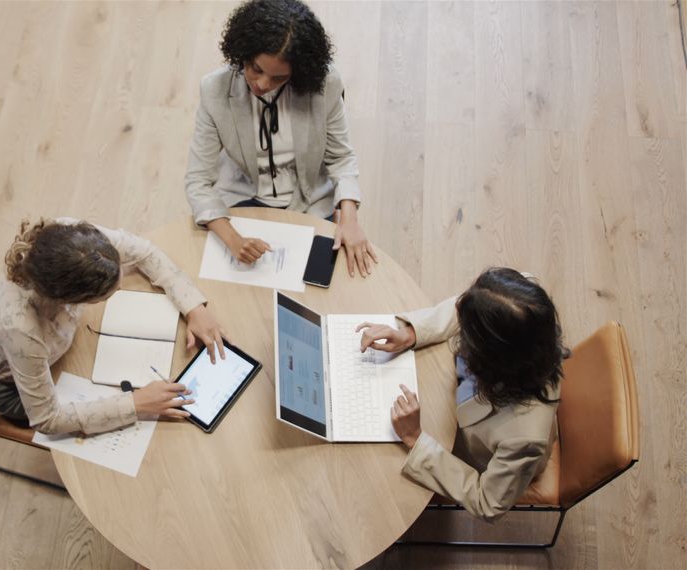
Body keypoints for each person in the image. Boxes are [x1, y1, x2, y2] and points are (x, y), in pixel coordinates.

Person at [0, 218, 227, 435]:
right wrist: (135, 404)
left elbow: (144, 252)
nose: (119, 286)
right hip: (12, 391)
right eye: (109, 294)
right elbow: (47, 420)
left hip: (53, 352)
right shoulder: (23, 329)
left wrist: (194, 307)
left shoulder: (71, 238)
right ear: (70, 300)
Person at [185, 0, 378, 277]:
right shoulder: (214, 90)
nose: (262, 84)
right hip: (244, 197)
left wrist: (349, 217)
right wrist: (233, 239)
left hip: (311, 200)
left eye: (278, 78)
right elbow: (198, 181)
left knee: (318, 285)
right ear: (243, 52)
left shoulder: (325, 84)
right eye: (255, 68)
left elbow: (341, 158)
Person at [356, 268, 566, 521]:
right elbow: (468, 305)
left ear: (492, 354)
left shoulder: (525, 439)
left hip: (479, 451)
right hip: (462, 403)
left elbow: (487, 502)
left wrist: (415, 438)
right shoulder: (522, 298)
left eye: (469, 333)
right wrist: (410, 334)